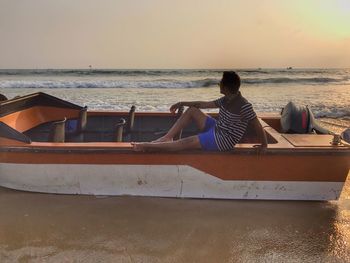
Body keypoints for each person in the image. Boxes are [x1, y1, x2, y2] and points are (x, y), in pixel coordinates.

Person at [132, 71, 267, 152]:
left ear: (226, 86)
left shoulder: (244, 105)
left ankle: (147, 146)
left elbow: (257, 125)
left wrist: (264, 146)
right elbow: (203, 104)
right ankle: (167, 137)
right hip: (217, 128)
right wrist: (182, 103)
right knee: (193, 110)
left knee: (186, 142)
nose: (219, 84)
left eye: (220, 82)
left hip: (223, 140)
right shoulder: (226, 99)